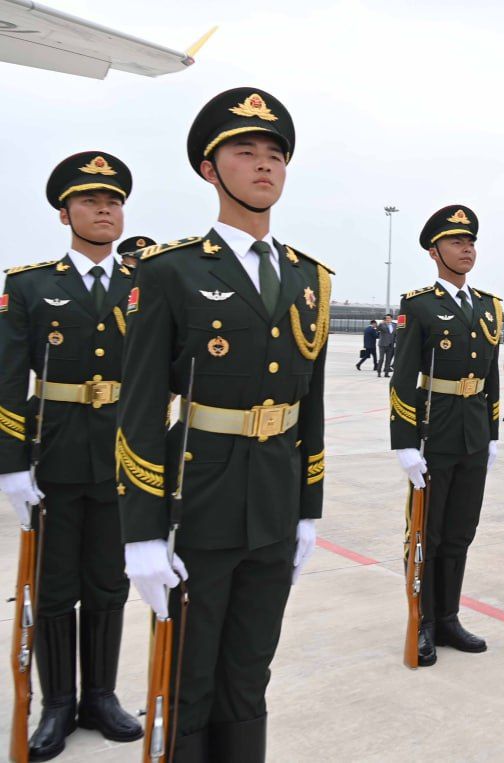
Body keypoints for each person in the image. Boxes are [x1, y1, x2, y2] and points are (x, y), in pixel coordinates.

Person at [116, 88, 330, 759]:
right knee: (188, 678)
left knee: (248, 676)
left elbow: (312, 404)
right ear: (211, 169)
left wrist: (309, 508)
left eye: (274, 154)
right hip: (197, 502)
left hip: (273, 501)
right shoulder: (171, 270)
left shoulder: (308, 278)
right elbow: (142, 408)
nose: (263, 165)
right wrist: (141, 533)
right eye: (245, 152)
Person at [0, 152, 143, 759]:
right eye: (90, 201)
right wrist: (10, 465)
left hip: (121, 455)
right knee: (56, 584)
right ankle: (58, 702)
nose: (104, 209)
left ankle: (101, 696)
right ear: (66, 214)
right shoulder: (29, 284)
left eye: (113, 201)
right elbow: (7, 379)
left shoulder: (147, 282)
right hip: (55, 451)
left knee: (109, 581)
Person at [389, 204, 502, 666]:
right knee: (427, 534)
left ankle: (450, 616)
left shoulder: (489, 306)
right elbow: (403, 377)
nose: (467, 249)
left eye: (471, 242)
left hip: (474, 432)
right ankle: (424, 622)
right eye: (457, 242)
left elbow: (493, 375)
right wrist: (404, 442)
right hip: (434, 434)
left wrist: (493, 432)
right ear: (435, 251)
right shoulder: (419, 305)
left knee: (461, 531)